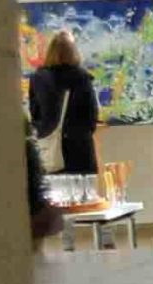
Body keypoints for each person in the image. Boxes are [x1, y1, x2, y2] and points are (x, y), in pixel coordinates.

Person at [26, 30, 100, 177]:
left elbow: (34, 115)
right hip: (79, 151)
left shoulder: (38, 79)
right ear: (73, 52)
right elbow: (91, 117)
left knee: (50, 190)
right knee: (82, 191)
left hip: (49, 151)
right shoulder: (82, 78)